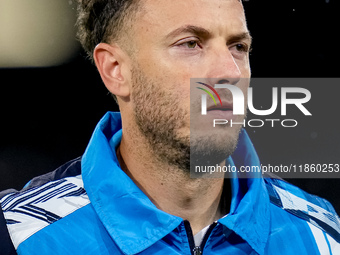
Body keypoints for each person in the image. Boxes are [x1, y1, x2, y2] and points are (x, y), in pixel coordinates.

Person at [1, 0, 340, 254]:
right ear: (116, 69)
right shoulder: (20, 235)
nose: (228, 72)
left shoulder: (321, 234)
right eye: (191, 43)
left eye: (238, 47)